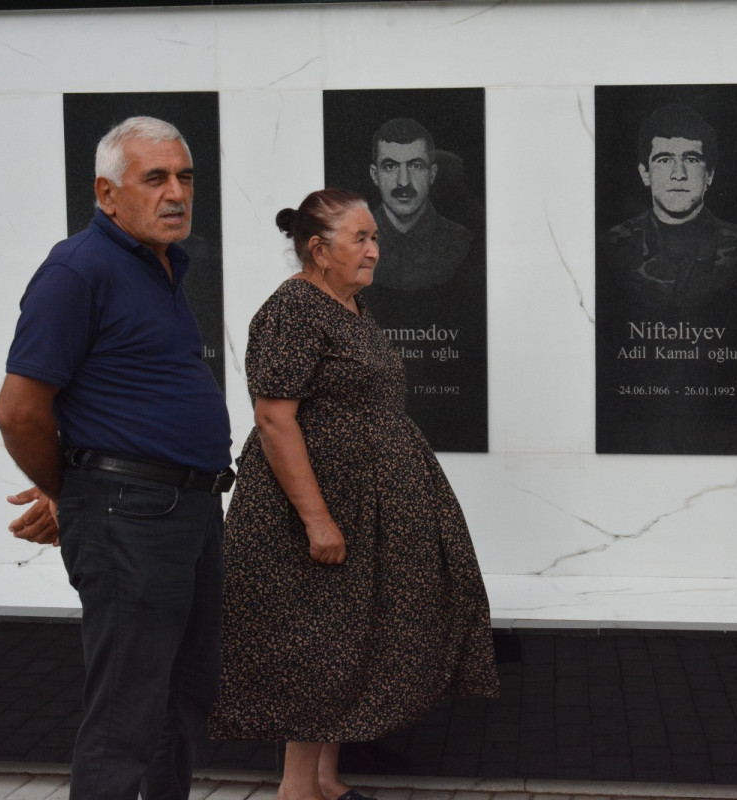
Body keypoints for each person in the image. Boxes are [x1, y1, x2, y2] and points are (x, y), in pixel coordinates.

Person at [208, 189, 500, 800]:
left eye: (374, 239)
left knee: (344, 637)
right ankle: (296, 792)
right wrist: (317, 519)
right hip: (307, 510)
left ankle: (324, 781)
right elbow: (274, 420)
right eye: (361, 239)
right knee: (315, 644)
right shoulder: (293, 310)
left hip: (358, 505)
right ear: (319, 249)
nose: (374, 249)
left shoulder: (348, 307)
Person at [0, 116, 234, 800]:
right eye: (155, 178)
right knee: (127, 715)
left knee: (183, 700)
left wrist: (76, 486)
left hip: (187, 508)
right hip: (131, 516)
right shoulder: (78, 268)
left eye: (184, 177)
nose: (177, 193)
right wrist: (68, 490)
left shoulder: (162, 266)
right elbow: (18, 410)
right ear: (107, 193)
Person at [598, 103, 737, 310]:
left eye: (691, 159)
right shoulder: (611, 248)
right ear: (645, 173)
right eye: (664, 160)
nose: (678, 174)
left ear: (709, 175)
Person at [367, 117, 472, 291]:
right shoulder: (348, 246)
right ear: (374, 175)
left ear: (432, 174)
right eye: (390, 166)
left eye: (416, 166)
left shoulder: (463, 244)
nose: (403, 182)